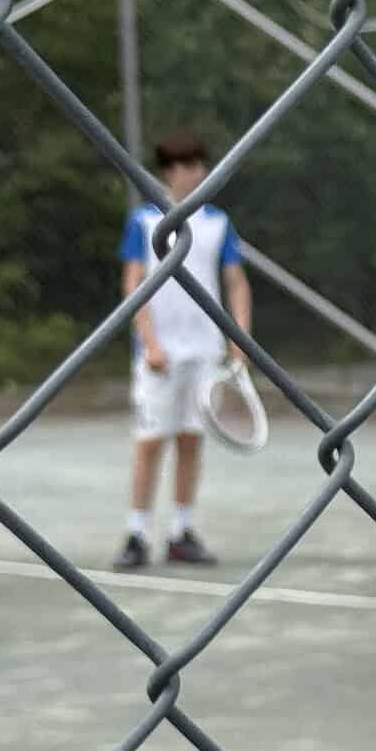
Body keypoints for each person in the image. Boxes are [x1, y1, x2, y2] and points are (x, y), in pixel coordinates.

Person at [115, 128, 253, 571]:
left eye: (201, 165)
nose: (198, 173)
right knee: (150, 443)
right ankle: (136, 534)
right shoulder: (144, 221)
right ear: (169, 171)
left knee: (192, 441)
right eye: (190, 166)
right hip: (159, 356)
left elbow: (236, 283)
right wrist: (150, 342)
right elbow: (132, 282)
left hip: (204, 353)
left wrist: (239, 341)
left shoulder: (218, 223)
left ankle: (180, 532)